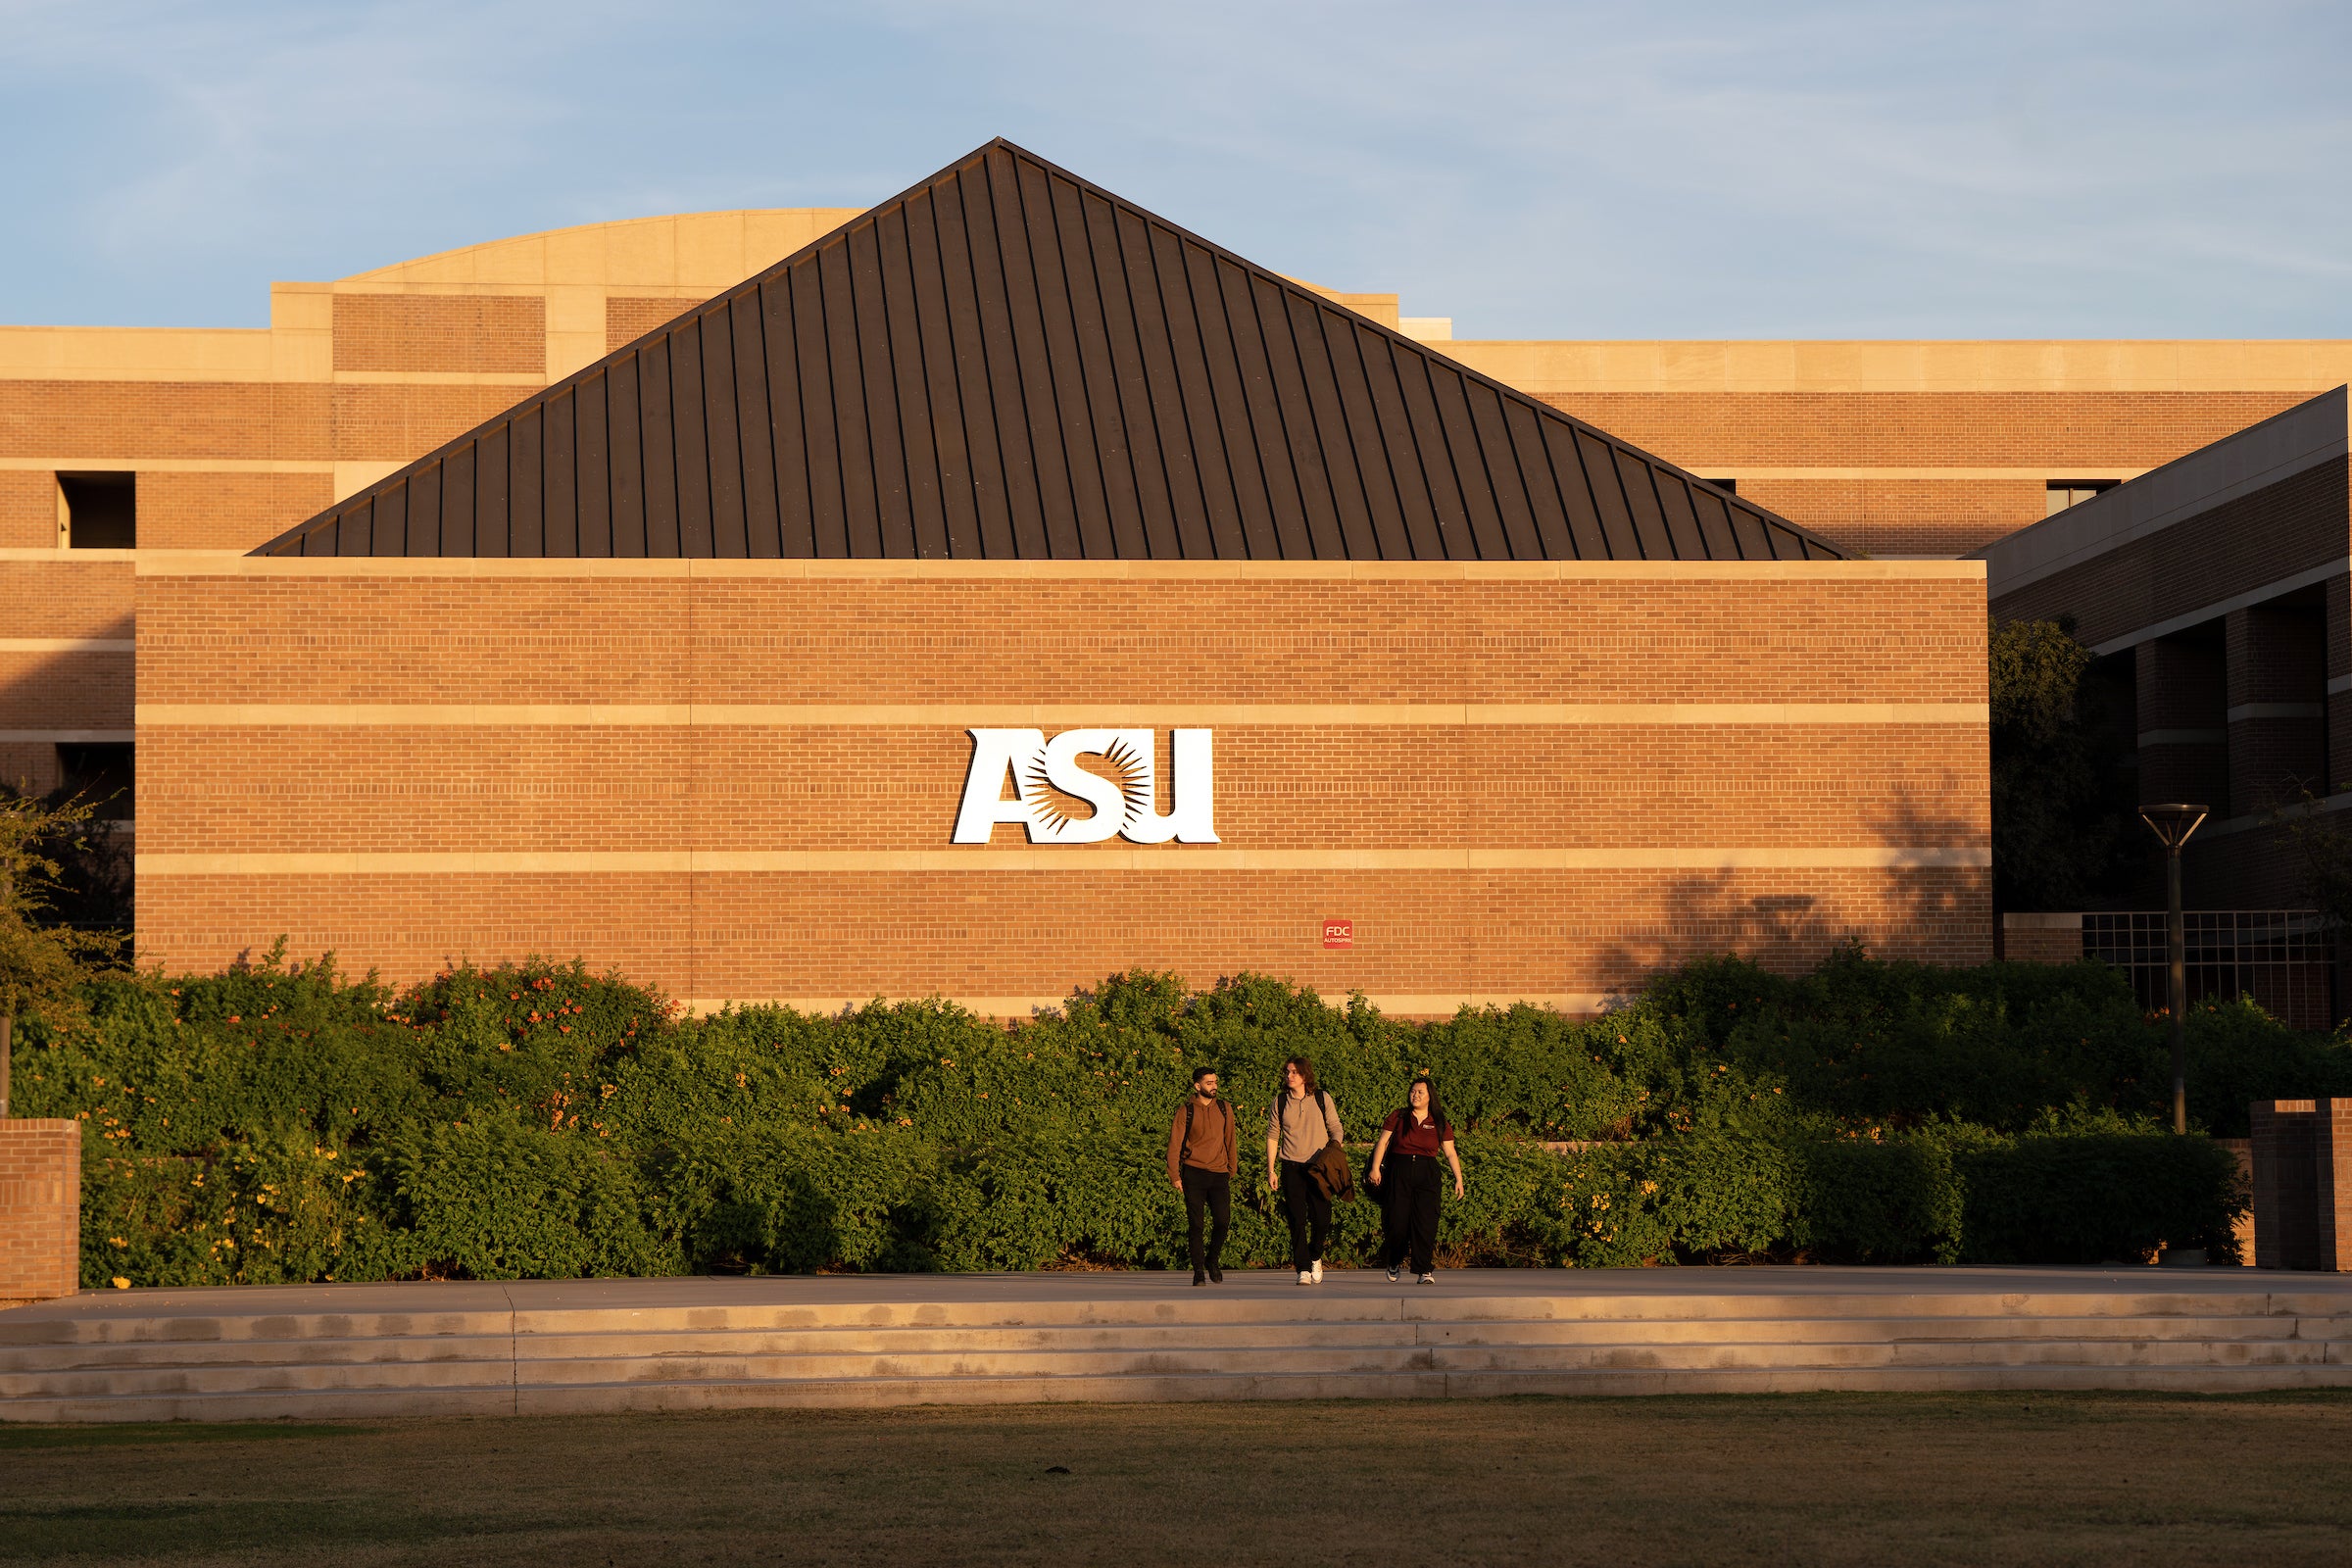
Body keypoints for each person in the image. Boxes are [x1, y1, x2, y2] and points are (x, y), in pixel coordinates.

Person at [1367, 1076, 1463, 1284]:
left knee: (1426, 1223)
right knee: (1396, 1221)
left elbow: (1450, 1153)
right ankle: (1394, 1261)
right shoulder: (1399, 1116)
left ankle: (1424, 1270)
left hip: (1427, 1173)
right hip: (1398, 1171)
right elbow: (1382, 1143)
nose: (1415, 1095)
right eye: (1413, 1091)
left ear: (1430, 1096)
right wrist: (1375, 1168)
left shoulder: (1439, 1121)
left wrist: (1458, 1179)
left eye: (1420, 1092)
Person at [1264, 1055, 1344, 1285]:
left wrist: (1334, 1148)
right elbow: (1272, 1136)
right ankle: (1302, 1269)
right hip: (1291, 1167)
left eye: (1294, 1073)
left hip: (1319, 1167)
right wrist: (1271, 1169)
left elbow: (1336, 1127)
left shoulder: (1321, 1098)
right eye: (1287, 1072)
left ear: (1305, 1075)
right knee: (1296, 1219)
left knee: (1322, 1218)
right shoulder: (1279, 1102)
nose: (1289, 1076)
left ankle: (1315, 1255)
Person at [1166, 1064, 1237, 1286]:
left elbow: (1231, 1140)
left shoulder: (1225, 1108)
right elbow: (1174, 1144)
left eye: (1215, 1082)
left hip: (1219, 1174)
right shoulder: (1186, 1110)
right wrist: (1174, 1175)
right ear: (1197, 1086)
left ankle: (1212, 1260)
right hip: (1193, 1173)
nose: (1214, 1086)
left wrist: (1231, 1168)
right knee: (1196, 1224)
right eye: (1209, 1083)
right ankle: (1198, 1270)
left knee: (1223, 1221)